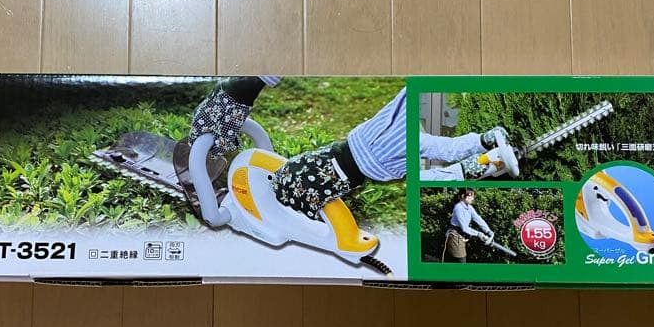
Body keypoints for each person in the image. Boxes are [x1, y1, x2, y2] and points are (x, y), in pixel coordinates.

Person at [188, 77, 512, 220]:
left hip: (345, 168)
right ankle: (484, 159)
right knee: (289, 183)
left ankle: (484, 159)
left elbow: (450, 148)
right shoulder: (408, 117)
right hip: (340, 163)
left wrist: (483, 140)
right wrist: (233, 94)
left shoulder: (415, 131)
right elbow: (449, 148)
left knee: (292, 188)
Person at [443, 188, 494, 263]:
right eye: (470, 196)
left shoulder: (469, 207)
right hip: (455, 236)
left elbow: (478, 219)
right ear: (463, 196)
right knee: (461, 260)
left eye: (473, 196)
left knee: (456, 259)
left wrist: (488, 231)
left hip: (462, 236)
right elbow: (464, 228)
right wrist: (479, 234)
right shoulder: (458, 208)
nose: (473, 198)